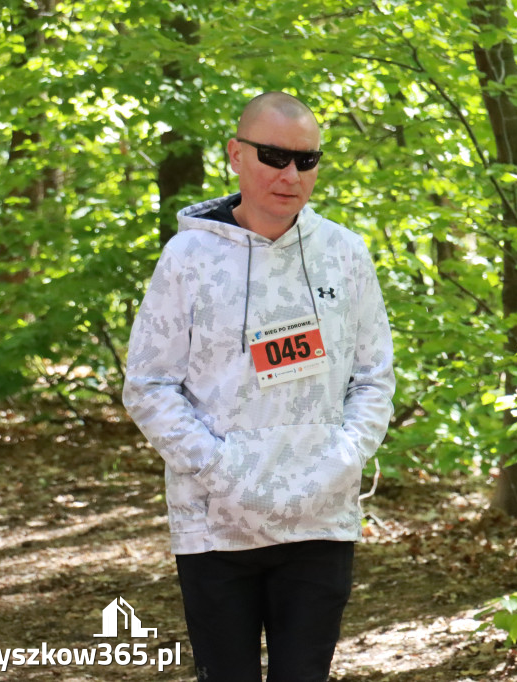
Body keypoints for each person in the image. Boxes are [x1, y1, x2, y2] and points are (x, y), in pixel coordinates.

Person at [123, 91, 395, 682]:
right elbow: (148, 385)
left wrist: (342, 460)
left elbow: (374, 378)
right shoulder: (188, 258)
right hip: (215, 521)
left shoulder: (345, 255)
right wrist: (223, 470)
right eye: (273, 156)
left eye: (307, 160)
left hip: (320, 516)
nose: (290, 174)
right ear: (235, 156)